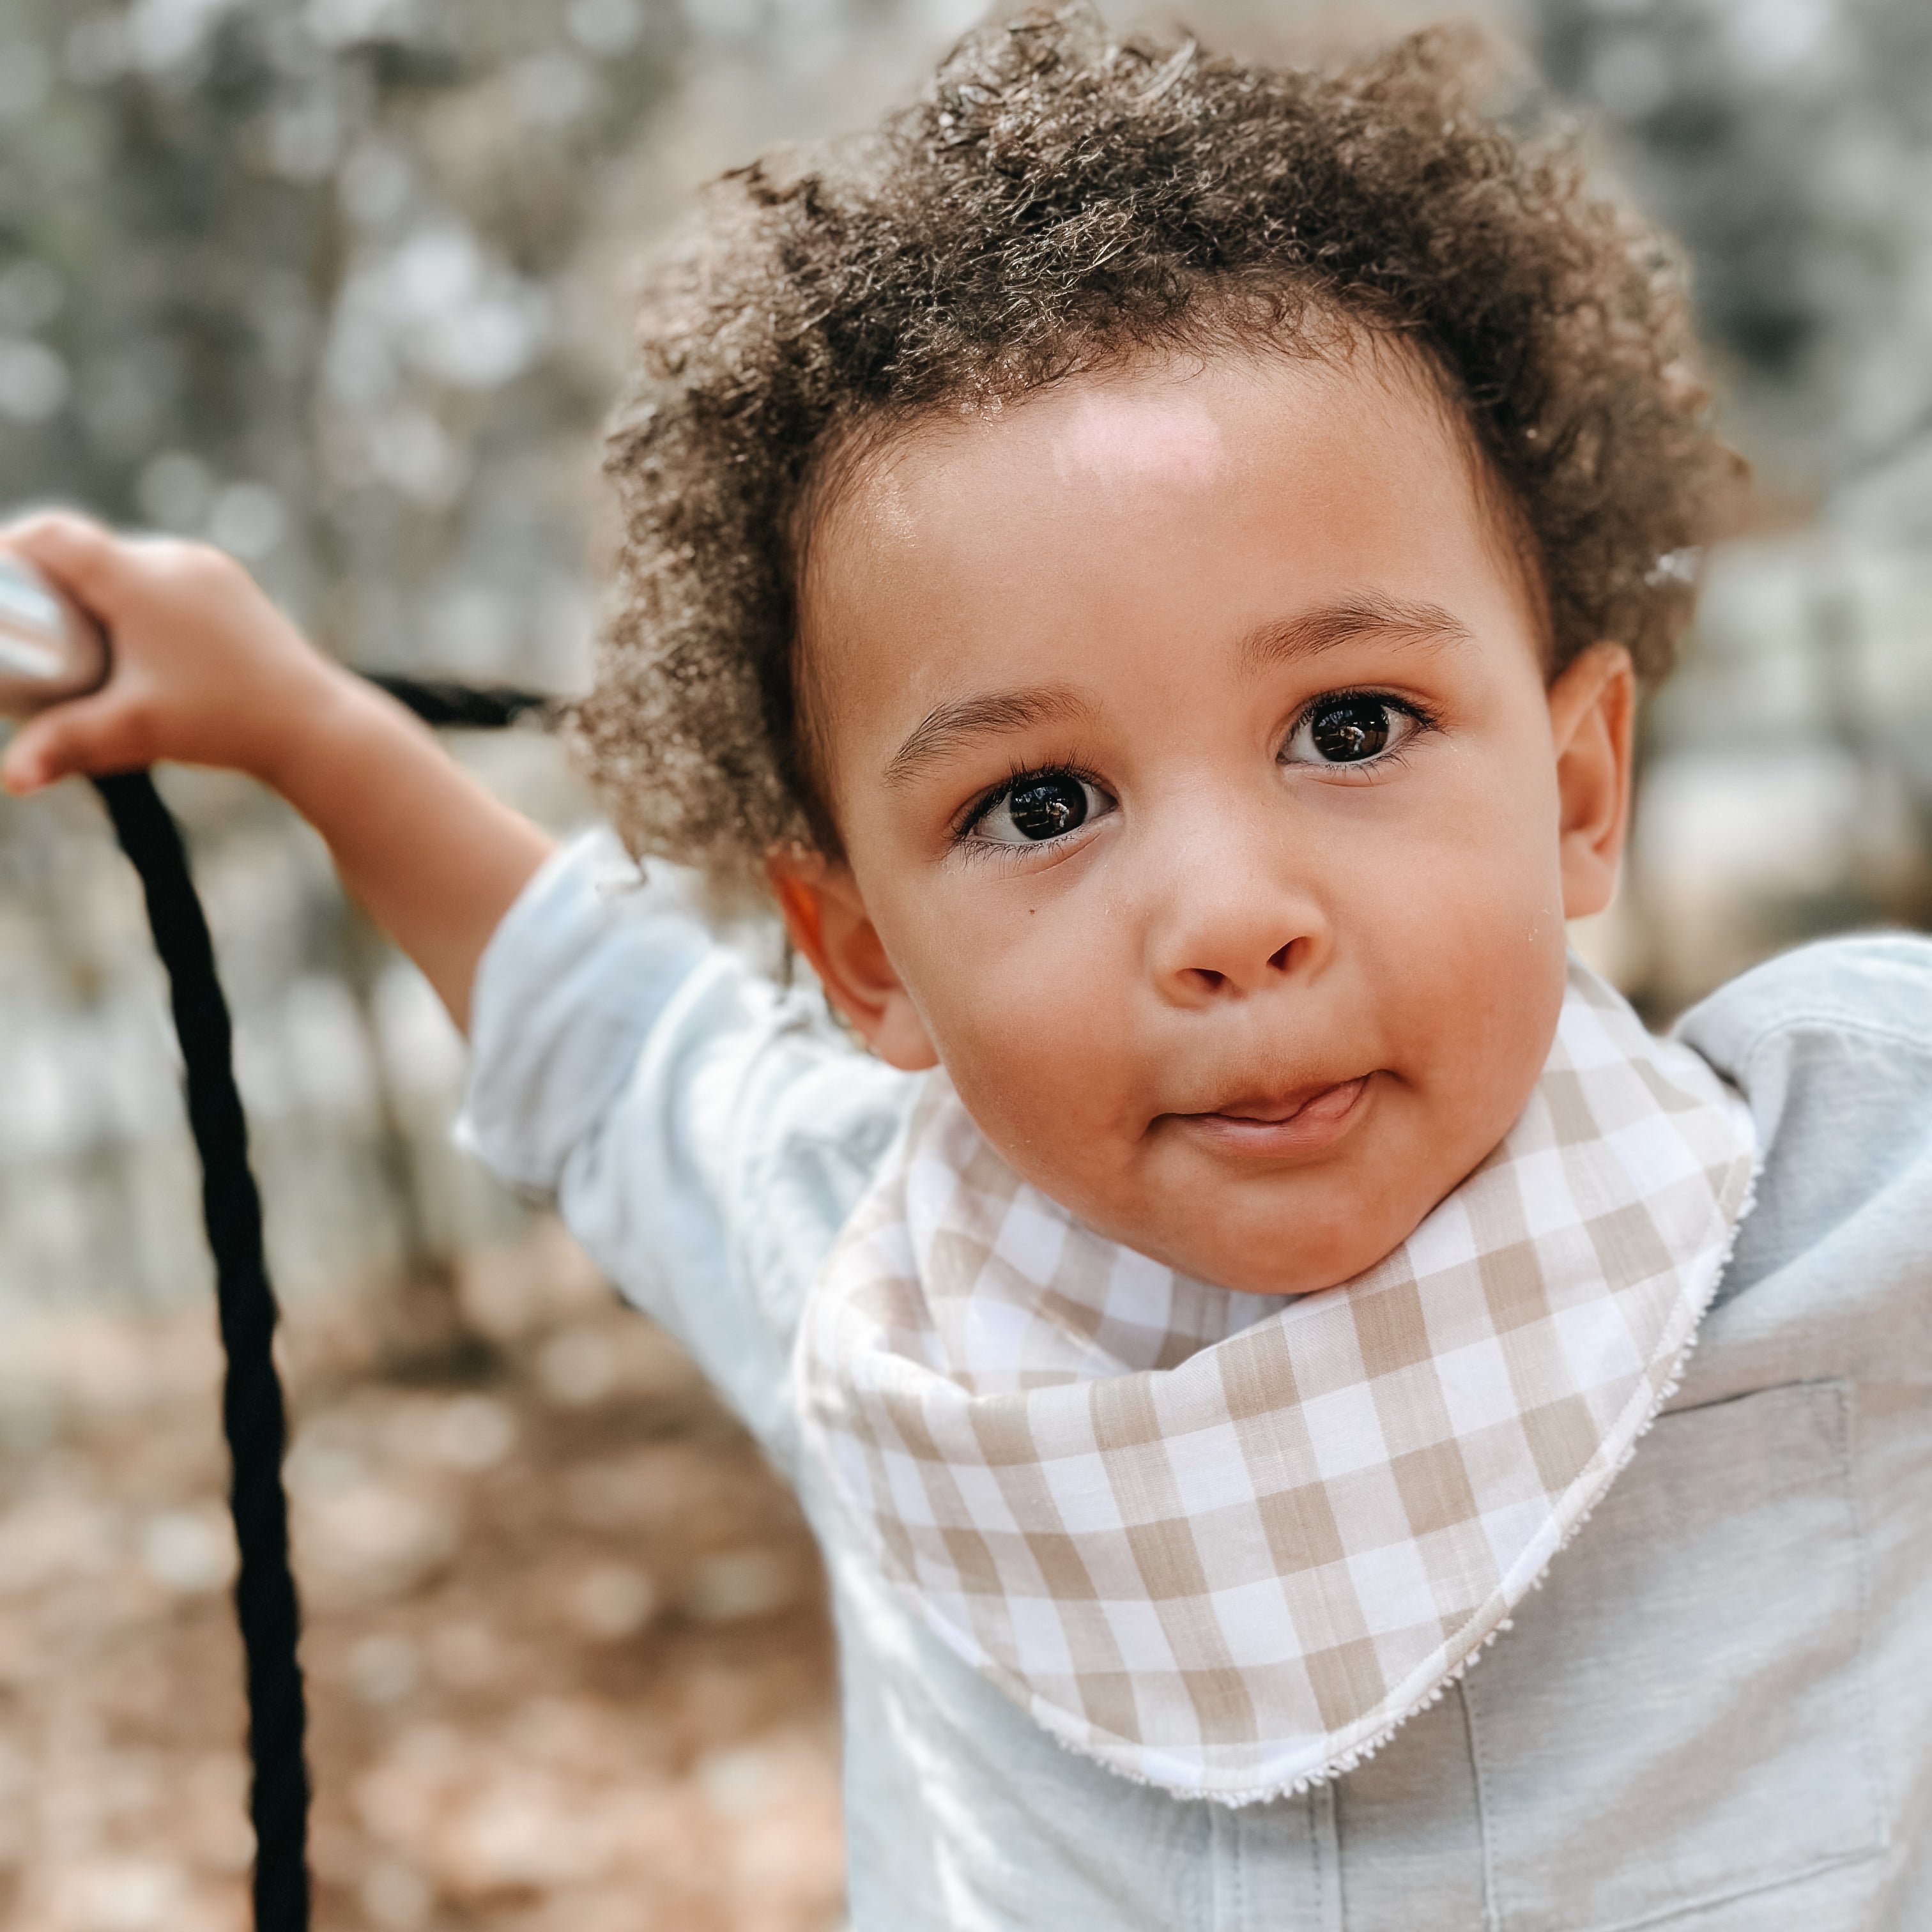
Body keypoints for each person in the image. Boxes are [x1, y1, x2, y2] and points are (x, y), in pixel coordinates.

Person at [6, 12, 1931, 1927]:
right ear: (863, 956)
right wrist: (293, 722)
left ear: (1581, 786)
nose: (1227, 916)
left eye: (1351, 726)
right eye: (1039, 804)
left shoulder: (1862, 1186)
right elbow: (609, 1036)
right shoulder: (879, 1294)